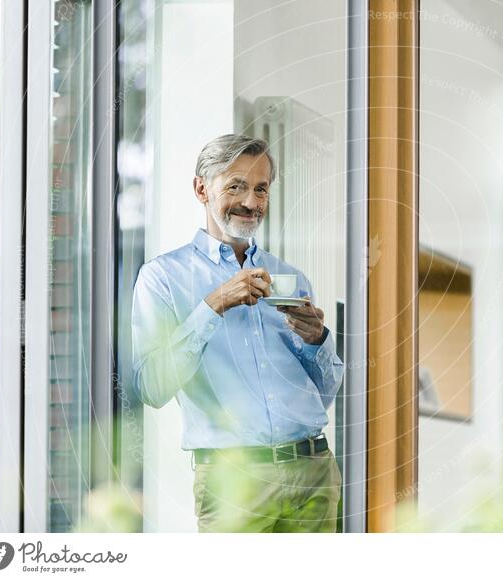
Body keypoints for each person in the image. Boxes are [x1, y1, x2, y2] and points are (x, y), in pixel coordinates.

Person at [131, 134, 344, 532]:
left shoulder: (290, 278)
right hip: (234, 482)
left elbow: (326, 393)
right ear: (201, 189)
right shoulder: (162, 278)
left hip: (313, 471)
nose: (251, 202)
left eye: (260, 189)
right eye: (236, 187)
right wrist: (212, 306)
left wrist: (318, 341)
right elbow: (151, 387)